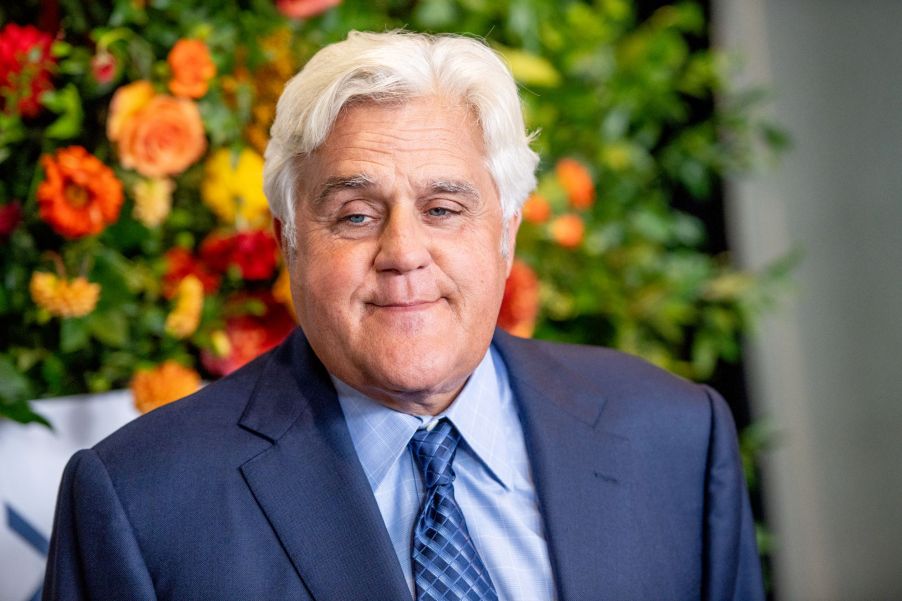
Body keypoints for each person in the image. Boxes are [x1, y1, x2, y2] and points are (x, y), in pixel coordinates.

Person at [43, 31, 764, 601]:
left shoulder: (676, 436)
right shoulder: (142, 502)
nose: (403, 253)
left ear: (507, 231)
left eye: (444, 208)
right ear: (287, 239)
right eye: (355, 215)